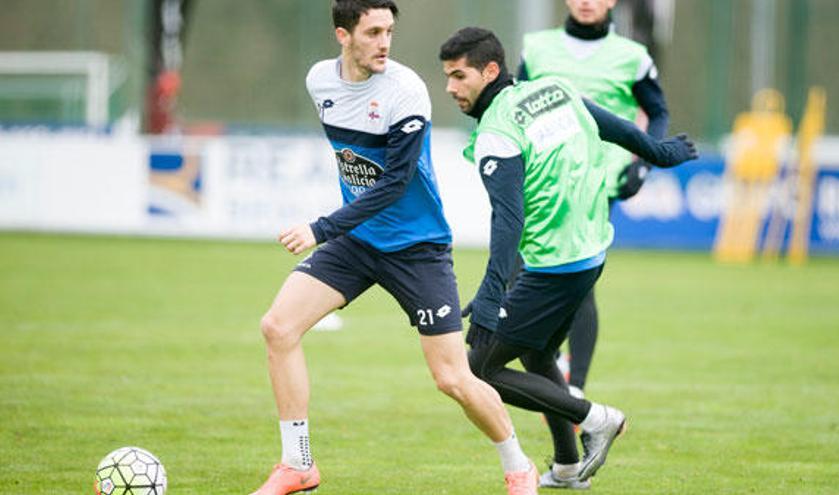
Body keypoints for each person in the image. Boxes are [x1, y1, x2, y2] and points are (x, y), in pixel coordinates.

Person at [249, 2, 539, 494]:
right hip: (358, 241)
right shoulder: (320, 80)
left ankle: (519, 466)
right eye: (373, 31)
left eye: (390, 31)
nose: (385, 42)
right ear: (344, 35)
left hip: (416, 248)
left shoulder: (405, 91)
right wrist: (337, 230)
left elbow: (396, 182)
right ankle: (297, 464)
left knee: (452, 377)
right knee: (278, 327)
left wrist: (322, 227)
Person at [439, 27, 695, 489]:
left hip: (554, 266)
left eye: (460, 76)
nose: (451, 88)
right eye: (447, 78)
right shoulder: (553, 89)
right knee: (538, 354)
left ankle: (596, 418)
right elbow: (609, 124)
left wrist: (491, 293)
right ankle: (568, 466)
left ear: (491, 71)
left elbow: (507, 220)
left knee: (480, 367)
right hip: (590, 251)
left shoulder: (498, 131)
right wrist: (660, 151)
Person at [518, 0, 671, 413]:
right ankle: (549, 365)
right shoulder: (537, 48)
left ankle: (575, 387)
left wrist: (644, 162)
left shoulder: (633, 57)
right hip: (541, 182)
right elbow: (512, 106)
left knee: (579, 278)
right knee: (528, 273)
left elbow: (658, 114)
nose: (587, 1)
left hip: (597, 184)